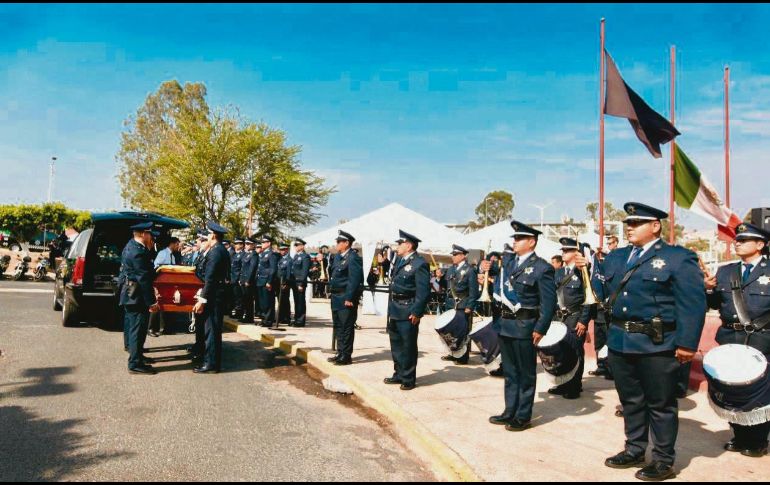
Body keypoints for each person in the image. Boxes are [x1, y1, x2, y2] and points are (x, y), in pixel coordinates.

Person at [583, 202, 705, 482]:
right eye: (628, 222)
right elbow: (603, 291)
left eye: (637, 222)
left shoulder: (677, 258)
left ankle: (663, 460)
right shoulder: (616, 257)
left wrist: (686, 343)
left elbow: (692, 304)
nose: (629, 227)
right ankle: (635, 449)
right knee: (630, 401)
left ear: (655, 226)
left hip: (657, 343)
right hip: (621, 341)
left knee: (660, 403)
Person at [483, 220, 556, 432]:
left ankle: (523, 415)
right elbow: (501, 288)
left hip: (526, 326)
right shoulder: (507, 264)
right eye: (514, 238)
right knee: (511, 372)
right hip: (505, 324)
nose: (515, 242)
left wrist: (540, 328)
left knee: (525, 373)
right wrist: (486, 270)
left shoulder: (543, 268)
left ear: (531, 242)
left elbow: (548, 303)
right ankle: (509, 410)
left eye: (519, 238)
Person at [705, 222, 770, 458]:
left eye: (744, 240)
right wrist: (707, 290)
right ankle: (740, 435)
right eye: (737, 240)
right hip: (730, 340)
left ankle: (758, 440)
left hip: (762, 341)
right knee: (733, 392)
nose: (738, 243)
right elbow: (713, 305)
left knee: (758, 393)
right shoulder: (725, 271)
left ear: (760, 244)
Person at [548, 238, 596, 399]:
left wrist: (583, 321)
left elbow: (589, 298)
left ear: (576, 253)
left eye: (567, 251)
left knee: (575, 352)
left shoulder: (583, 271)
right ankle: (563, 383)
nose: (563, 253)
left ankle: (575, 386)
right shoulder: (559, 272)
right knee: (561, 353)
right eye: (562, 251)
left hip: (575, 317)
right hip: (560, 318)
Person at [384, 230, 430, 390]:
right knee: (396, 344)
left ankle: (408, 378)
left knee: (408, 346)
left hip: (408, 309)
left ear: (409, 245)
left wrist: (417, 312)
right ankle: (398, 374)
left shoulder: (420, 263)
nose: (397, 246)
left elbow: (423, 291)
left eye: (400, 244)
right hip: (395, 308)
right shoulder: (400, 261)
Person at [120, 222, 160, 375]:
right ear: (143, 234)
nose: (151, 237)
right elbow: (144, 279)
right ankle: (135, 363)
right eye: (149, 234)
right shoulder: (138, 251)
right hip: (136, 296)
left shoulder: (132, 246)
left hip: (131, 294)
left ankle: (137, 356)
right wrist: (152, 301)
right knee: (138, 329)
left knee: (135, 327)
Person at [191, 221, 231, 374]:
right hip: (215, 294)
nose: (205, 237)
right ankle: (211, 361)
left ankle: (211, 364)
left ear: (213, 235)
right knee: (212, 330)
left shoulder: (215, 252)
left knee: (211, 331)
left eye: (207, 234)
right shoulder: (218, 249)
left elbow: (211, 280)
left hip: (214, 297)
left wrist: (202, 300)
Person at [436, 244, 479, 365]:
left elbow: (473, 291)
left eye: (455, 255)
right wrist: (439, 278)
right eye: (453, 255)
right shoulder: (451, 269)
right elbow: (446, 286)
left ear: (463, 256)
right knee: (451, 331)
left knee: (462, 332)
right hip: (450, 304)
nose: (453, 257)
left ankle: (463, 357)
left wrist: (470, 306)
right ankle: (453, 353)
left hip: (462, 305)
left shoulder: (470, 270)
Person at [327, 230, 364, 366]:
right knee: (337, 325)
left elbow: (354, 280)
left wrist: (349, 297)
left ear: (347, 243)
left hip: (345, 296)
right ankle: (340, 352)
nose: (336, 244)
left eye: (339, 242)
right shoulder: (337, 257)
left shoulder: (353, 258)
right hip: (336, 295)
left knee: (346, 326)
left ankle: (346, 355)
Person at [148, 237, 181, 337]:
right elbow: (156, 266)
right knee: (158, 303)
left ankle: (165, 328)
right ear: (172, 244)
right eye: (177, 244)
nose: (178, 246)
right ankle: (151, 328)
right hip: (160, 282)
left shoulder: (173, 256)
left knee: (166, 305)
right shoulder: (163, 253)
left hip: (169, 283)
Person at [290, 238, 311, 327]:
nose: (295, 247)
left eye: (297, 245)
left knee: (300, 302)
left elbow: (304, 271)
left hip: (299, 283)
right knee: (296, 301)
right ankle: (296, 319)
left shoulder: (305, 256)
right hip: (294, 282)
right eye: (295, 245)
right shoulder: (296, 256)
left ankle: (300, 320)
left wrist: (301, 284)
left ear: (302, 246)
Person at [256, 236, 277, 327]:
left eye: (264, 242)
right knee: (262, 302)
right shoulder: (263, 254)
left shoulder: (271, 254)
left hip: (266, 281)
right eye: (262, 242)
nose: (262, 244)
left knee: (268, 302)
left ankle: (268, 320)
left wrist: (269, 281)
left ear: (269, 243)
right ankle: (264, 319)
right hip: (260, 280)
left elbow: (273, 269)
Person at [239, 239, 257, 323]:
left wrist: (248, 280)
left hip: (248, 280)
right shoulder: (246, 254)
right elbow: (243, 267)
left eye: (249, 244)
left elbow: (252, 268)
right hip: (243, 279)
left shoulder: (254, 255)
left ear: (253, 245)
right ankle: (246, 316)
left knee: (249, 300)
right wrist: (241, 279)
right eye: (246, 244)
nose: (247, 245)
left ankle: (249, 317)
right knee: (244, 299)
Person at [276, 242, 293, 326]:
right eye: (281, 250)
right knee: (280, 301)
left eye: (283, 249)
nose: (282, 251)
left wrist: (286, 283)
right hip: (278, 282)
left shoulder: (289, 260)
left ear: (287, 250)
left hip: (284, 283)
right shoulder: (280, 259)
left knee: (285, 301)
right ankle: (282, 317)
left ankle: (287, 318)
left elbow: (289, 273)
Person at [230, 239, 244, 320]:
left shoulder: (243, 254)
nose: (236, 245)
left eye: (238, 244)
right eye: (235, 243)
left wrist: (240, 278)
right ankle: (237, 312)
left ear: (242, 245)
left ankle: (240, 313)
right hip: (233, 278)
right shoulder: (235, 254)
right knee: (235, 297)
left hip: (238, 278)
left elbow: (242, 268)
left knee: (239, 298)